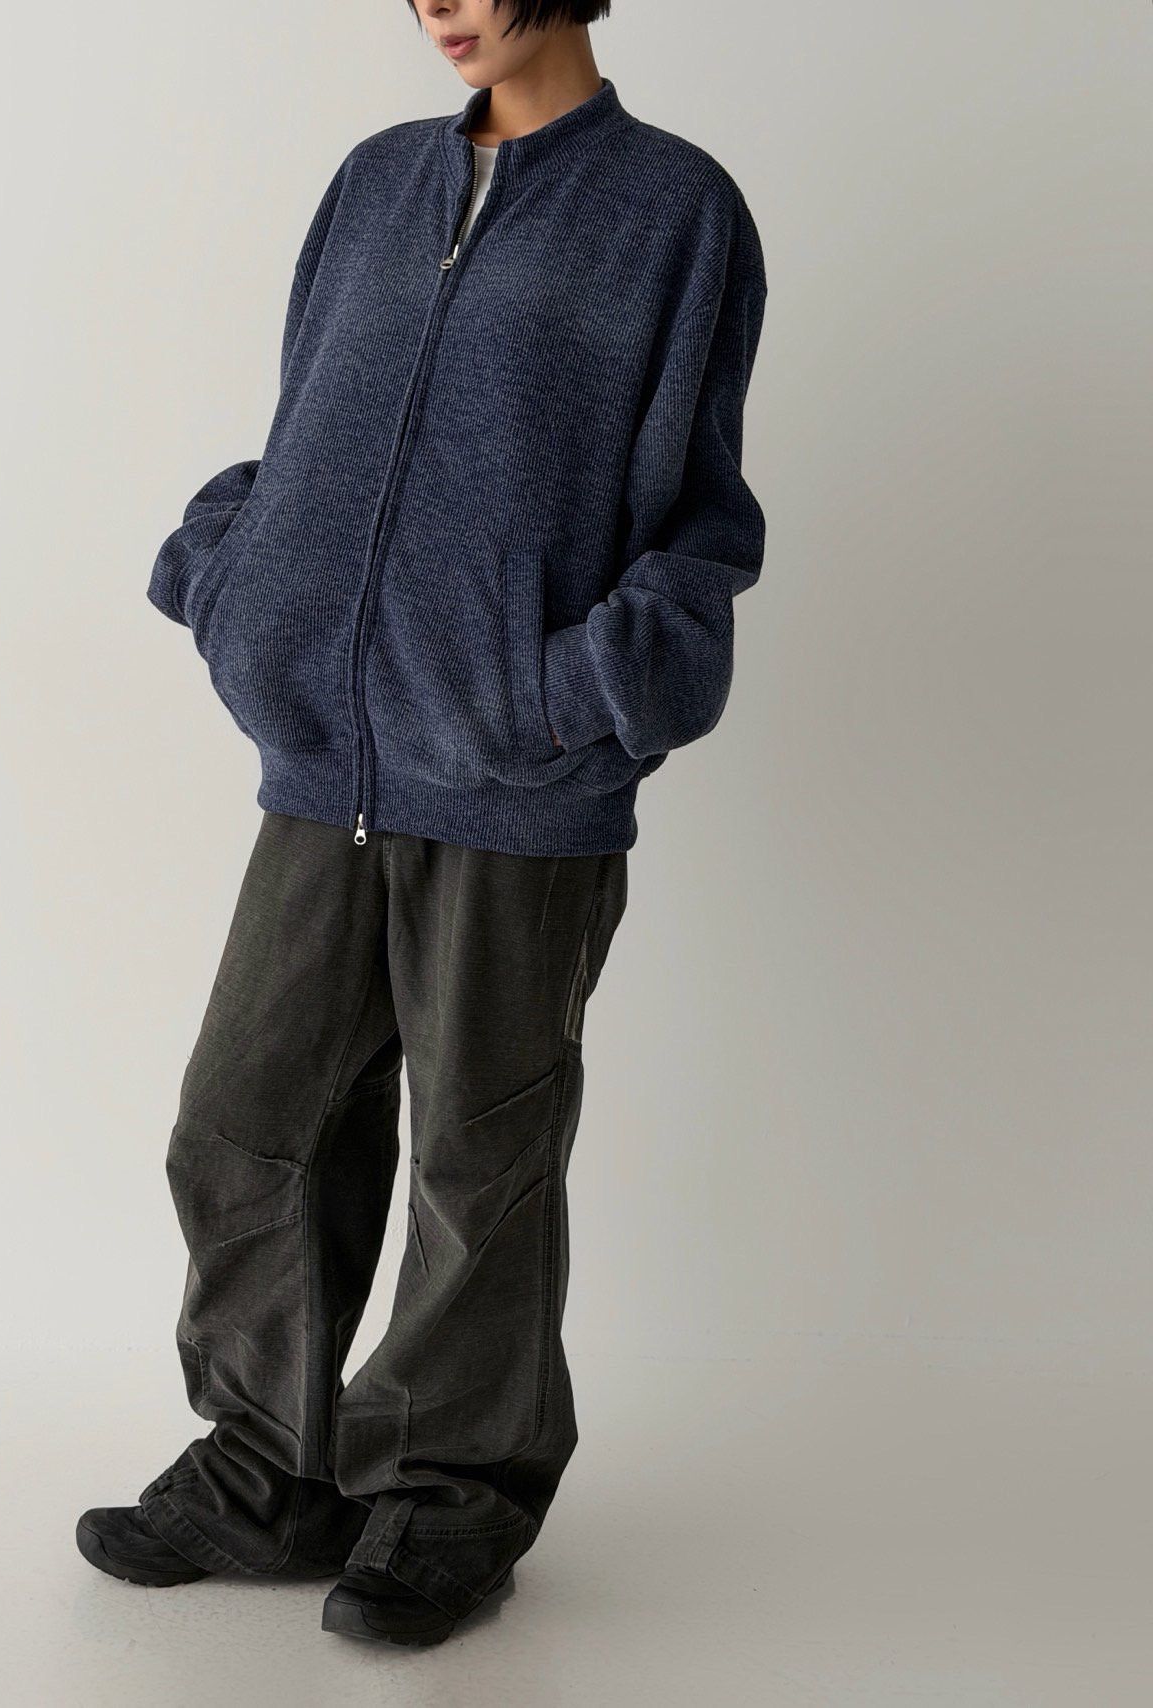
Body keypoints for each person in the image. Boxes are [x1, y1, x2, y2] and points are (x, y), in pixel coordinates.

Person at [76, 0, 767, 1648]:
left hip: (524, 786)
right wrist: (237, 582)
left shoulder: (674, 209)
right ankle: (269, 1469)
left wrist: (566, 691)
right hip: (327, 763)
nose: (439, 5)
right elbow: (307, 426)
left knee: (480, 1154)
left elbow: (697, 523)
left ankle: (453, 1494)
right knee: (244, 1122)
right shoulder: (375, 180)